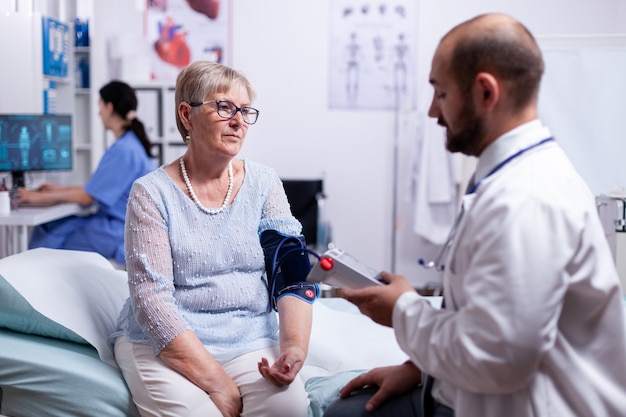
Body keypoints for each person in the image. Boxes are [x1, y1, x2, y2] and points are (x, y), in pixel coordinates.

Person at [324, 13, 626, 417]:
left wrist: (402, 310)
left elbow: (496, 357)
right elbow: (488, 316)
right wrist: (419, 369)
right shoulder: (511, 177)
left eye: (441, 94)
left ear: (486, 93)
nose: (433, 112)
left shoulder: (525, 199)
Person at [110, 61, 319, 417]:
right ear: (187, 115)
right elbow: (151, 301)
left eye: (245, 111)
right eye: (224, 107)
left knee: (291, 409)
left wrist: (294, 348)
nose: (238, 120)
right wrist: (218, 384)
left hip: (248, 336)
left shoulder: (264, 182)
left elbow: (292, 274)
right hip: (166, 342)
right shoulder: (151, 193)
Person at [17, 80, 156, 265]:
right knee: (49, 226)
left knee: (48, 243)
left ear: (109, 107)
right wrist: (57, 190)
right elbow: (96, 188)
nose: (98, 113)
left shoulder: (125, 151)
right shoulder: (129, 145)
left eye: (100, 106)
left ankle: (33, 285)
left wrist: (34, 198)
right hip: (118, 223)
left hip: (117, 229)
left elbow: (87, 197)